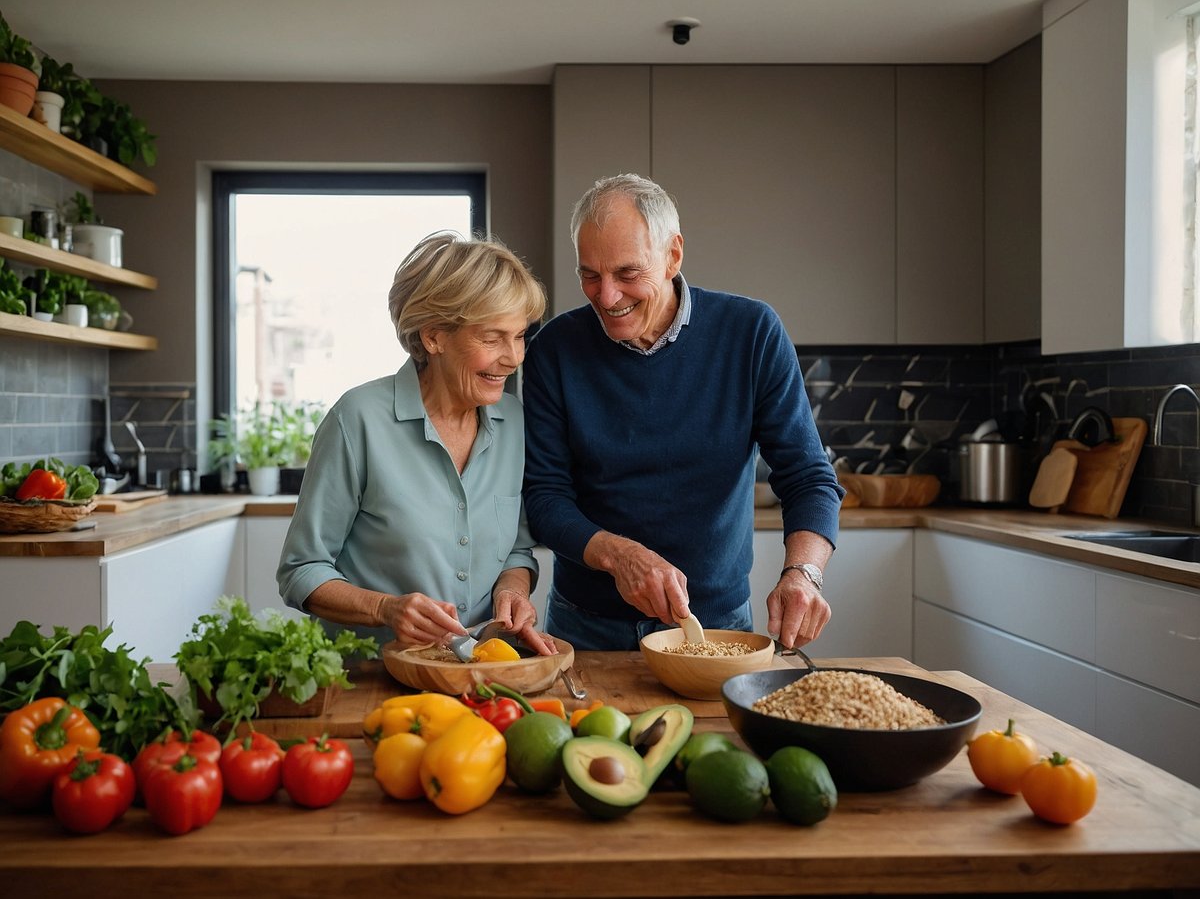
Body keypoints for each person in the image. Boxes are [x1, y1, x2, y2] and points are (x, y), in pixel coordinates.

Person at [522, 173, 844, 651]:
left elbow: (809, 476)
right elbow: (545, 498)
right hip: (585, 625)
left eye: (628, 274)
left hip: (715, 623)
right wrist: (618, 555)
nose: (606, 297)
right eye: (589, 274)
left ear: (673, 255)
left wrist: (803, 573)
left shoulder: (751, 333)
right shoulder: (554, 349)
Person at [277, 231, 556, 655]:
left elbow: (516, 549)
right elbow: (301, 570)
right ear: (434, 337)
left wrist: (513, 590)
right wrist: (386, 610)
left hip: (477, 673)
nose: (514, 357)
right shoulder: (358, 420)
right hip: (369, 678)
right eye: (492, 337)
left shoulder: (513, 420)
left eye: (519, 336)